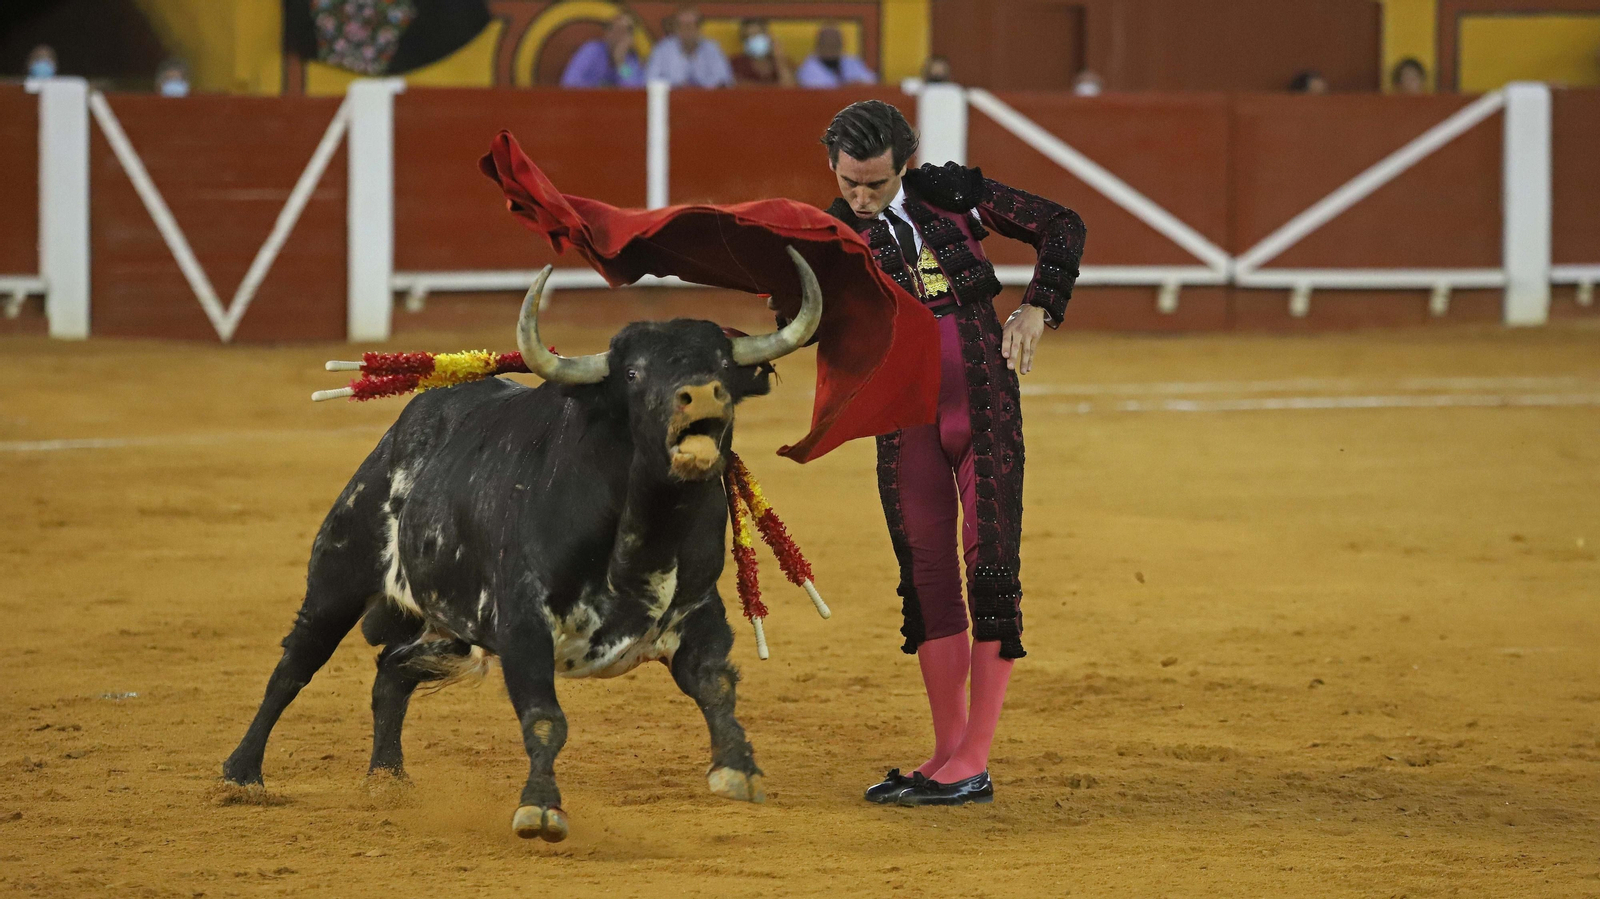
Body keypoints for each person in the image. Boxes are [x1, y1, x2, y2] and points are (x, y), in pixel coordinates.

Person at [811, 101, 1084, 806]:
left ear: (901, 165)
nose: (862, 197)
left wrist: (1037, 307)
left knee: (989, 566)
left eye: (874, 183)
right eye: (850, 183)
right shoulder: (830, 233)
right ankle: (948, 751)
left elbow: (1063, 224)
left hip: (982, 400)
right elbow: (805, 316)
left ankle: (975, 757)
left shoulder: (952, 194)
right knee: (927, 576)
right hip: (904, 417)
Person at [644, 6, 733, 88]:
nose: (687, 30)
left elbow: (725, 79)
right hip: (673, 100)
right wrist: (675, 85)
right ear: (676, 28)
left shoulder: (712, 48)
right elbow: (650, 79)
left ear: (699, 28)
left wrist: (700, 87)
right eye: (683, 25)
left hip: (705, 100)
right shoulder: (662, 49)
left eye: (691, 25)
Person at [560, 14, 644, 88]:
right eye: (616, 30)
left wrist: (620, 62)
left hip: (617, 105)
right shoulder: (591, 51)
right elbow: (569, 82)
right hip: (587, 103)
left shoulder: (630, 61)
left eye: (626, 31)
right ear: (607, 33)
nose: (619, 36)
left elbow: (633, 91)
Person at [796, 24, 875, 87]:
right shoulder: (808, 67)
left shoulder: (851, 61)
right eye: (828, 41)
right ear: (819, 44)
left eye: (836, 41)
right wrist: (847, 87)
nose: (832, 44)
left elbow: (871, 80)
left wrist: (858, 84)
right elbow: (817, 90)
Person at [731, 17, 793, 86]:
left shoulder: (782, 61)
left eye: (758, 34)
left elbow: (790, 87)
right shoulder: (737, 64)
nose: (755, 40)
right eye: (749, 36)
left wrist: (779, 58)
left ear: (768, 36)